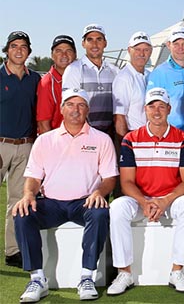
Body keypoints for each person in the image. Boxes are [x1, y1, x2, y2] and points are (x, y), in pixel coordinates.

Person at [13, 88, 118, 302]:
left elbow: (110, 178)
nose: (75, 110)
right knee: (22, 213)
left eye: (81, 105)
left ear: (87, 109)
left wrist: (99, 192)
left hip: (84, 202)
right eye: (70, 104)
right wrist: (28, 195)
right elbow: (33, 176)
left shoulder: (102, 139)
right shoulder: (45, 140)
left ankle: (86, 276)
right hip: (51, 204)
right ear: (61, 109)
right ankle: (37, 278)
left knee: (99, 214)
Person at [107, 87, 184, 295]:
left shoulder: (183, 138)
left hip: (171, 199)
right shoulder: (131, 139)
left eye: (161, 106)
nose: (156, 111)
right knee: (118, 206)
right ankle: (124, 272)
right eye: (152, 107)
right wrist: (144, 202)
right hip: (142, 200)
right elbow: (127, 182)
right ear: (144, 110)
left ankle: (178, 271)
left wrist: (165, 201)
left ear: (169, 109)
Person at [1, 30, 40, 268]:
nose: (19, 50)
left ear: (28, 51)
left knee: (17, 201)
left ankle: (13, 251)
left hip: (25, 146)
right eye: (14, 46)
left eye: (23, 46)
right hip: (1, 144)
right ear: (7, 50)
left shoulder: (35, 79)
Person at [62, 24, 119, 134]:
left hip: (110, 134)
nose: (95, 44)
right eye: (90, 40)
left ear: (105, 43)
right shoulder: (73, 69)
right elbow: (70, 108)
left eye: (99, 39)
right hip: (83, 134)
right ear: (83, 44)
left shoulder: (115, 71)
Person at [147, 25, 184, 134]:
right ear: (168, 45)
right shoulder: (158, 73)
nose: (180, 48)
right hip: (169, 136)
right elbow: (151, 109)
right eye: (176, 44)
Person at [112, 31, 153, 141]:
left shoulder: (150, 76)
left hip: (151, 136)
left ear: (151, 51)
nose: (142, 53)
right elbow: (119, 116)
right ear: (129, 50)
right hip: (134, 136)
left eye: (146, 50)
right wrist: (124, 147)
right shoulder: (124, 78)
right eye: (137, 49)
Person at [36, 35, 77, 133]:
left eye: (69, 50)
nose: (64, 55)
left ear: (75, 55)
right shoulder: (47, 83)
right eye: (58, 51)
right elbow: (43, 123)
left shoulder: (79, 77)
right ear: (52, 55)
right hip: (59, 142)